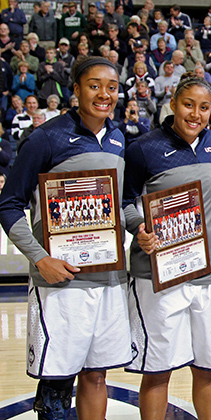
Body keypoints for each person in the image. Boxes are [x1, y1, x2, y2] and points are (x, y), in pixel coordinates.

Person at [0, 56, 130, 420]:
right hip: (60, 281)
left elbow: (122, 203)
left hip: (107, 278)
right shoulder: (46, 137)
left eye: (112, 87)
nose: (104, 94)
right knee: (57, 383)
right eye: (94, 85)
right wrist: (41, 259)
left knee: (97, 374)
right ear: (75, 89)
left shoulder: (119, 138)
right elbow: (8, 204)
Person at [123, 72, 211, 420]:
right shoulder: (143, 148)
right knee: (157, 370)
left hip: (209, 275)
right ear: (172, 104)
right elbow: (125, 201)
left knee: (208, 368)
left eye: (203, 107)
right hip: (158, 276)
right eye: (188, 105)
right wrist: (139, 227)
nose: (195, 114)